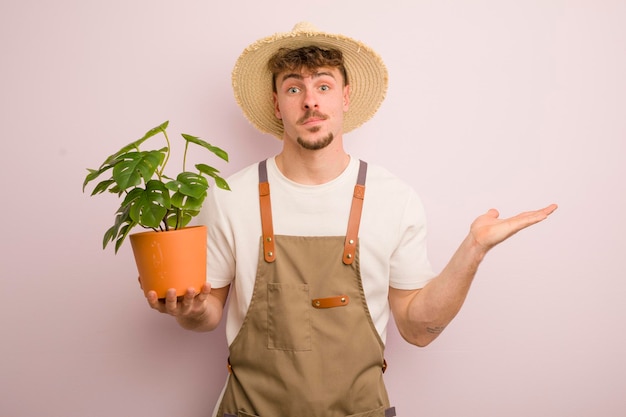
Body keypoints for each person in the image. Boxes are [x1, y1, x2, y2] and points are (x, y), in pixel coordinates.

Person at [146, 22, 557, 417]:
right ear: (277, 104)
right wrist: (190, 309)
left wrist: (473, 251)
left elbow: (417, 329)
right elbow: (207, 315)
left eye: (323, 86)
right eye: (294, 88)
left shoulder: (394, 198)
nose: (310, 101)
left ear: (345, 96)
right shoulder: (230, 196)